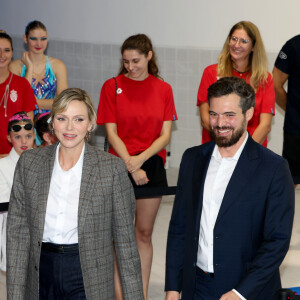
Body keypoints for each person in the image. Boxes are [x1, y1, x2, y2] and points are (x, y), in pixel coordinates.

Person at [6, 88, 144, 300]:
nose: (69, 127)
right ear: (53, 122)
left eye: (78, 119)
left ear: (90, 124)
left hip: (88, 274)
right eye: (62, 118)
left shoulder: (111, 169)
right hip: (41, 269)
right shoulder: (30, 163)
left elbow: (126, 245)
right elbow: (18, 236)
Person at [165, 77, 294, 300]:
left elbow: (277, 241)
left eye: (229, 115)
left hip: (247, 291)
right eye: (214, 114)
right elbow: (179, 227)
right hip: (197, 288)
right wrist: (173, 287)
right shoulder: (193, 159)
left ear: (249, 114)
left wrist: (240, 293)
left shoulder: (273, 168)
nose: (220, 123)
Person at [97, 33, 177, 299]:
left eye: (136, 61)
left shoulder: (163, 89)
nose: (130, 67)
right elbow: (111, 133)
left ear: (149, 56)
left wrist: (140, 161)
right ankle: (121, 296)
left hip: (151, 163)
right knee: (119, 235)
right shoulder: (112, 86)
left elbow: (165, 136)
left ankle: (139, 295)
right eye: (126, 61)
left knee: (143, 233)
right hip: (119, 162)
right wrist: (131, 166)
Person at [197, 21, 275, 147]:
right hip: (216, 148)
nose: (236, 45)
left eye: (243, 41)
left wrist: (243, 152)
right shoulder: (210, 73)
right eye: (234, 39)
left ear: (253, 47)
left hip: (250, 150)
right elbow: (206, 119)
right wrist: (226, 146)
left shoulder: (264, 79)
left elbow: (265, 125)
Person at [0, 112, 35, 296]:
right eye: (18, 137)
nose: (24, 141)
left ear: (34, 135)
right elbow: (5, 207)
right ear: (9, 138)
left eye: (28, 136)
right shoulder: (2, 166)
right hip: (15, 236)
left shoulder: (45, 163)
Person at [9, 20, 68, 115]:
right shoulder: (15, 67)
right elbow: (18, 102)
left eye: (43, 39)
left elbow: (63, 103)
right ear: (25, 39)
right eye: (33, 39)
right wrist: (29, 68)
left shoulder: (58, 66)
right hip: (24, 124)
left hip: (50, 124)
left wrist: (31, 102)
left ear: (47, 38)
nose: (39, 44)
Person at [0, 31, 37, 157]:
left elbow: (28, 125)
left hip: (14, 156)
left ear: (12, 53)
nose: (2, 55)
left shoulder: (22, 84)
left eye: (6, 50)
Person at [273, 35, 300, 185]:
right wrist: (291, 109)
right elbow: (275, 84)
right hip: (296, 131)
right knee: (290, 182)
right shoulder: (293, 46)